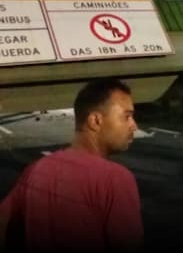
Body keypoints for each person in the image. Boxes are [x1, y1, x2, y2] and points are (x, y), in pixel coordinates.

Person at [0, 78, 144, 252]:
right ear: (95, 121)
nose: (134, 125)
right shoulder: (116, 180)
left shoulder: (35, 169)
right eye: (127, 116)